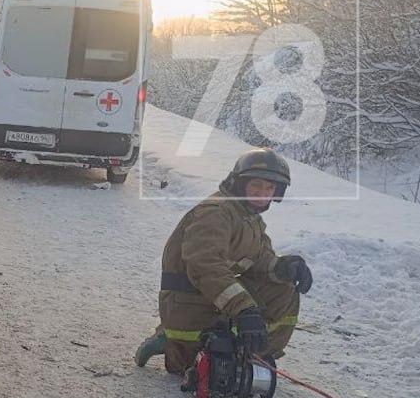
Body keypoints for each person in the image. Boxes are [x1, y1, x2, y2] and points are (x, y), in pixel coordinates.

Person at [134, 148, 313, 374]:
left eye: (270, 188)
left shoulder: (248, 216)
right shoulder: (215, 213)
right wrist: (244, 308)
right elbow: (205, 269)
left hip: (213, 294)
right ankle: (167, 339)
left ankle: (255, 355)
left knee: (283, 288)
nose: (262, 193)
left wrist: (283, 267)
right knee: (195, 365)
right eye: (256, 185)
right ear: (240, 183)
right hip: (188, 298)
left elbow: (258, 259)